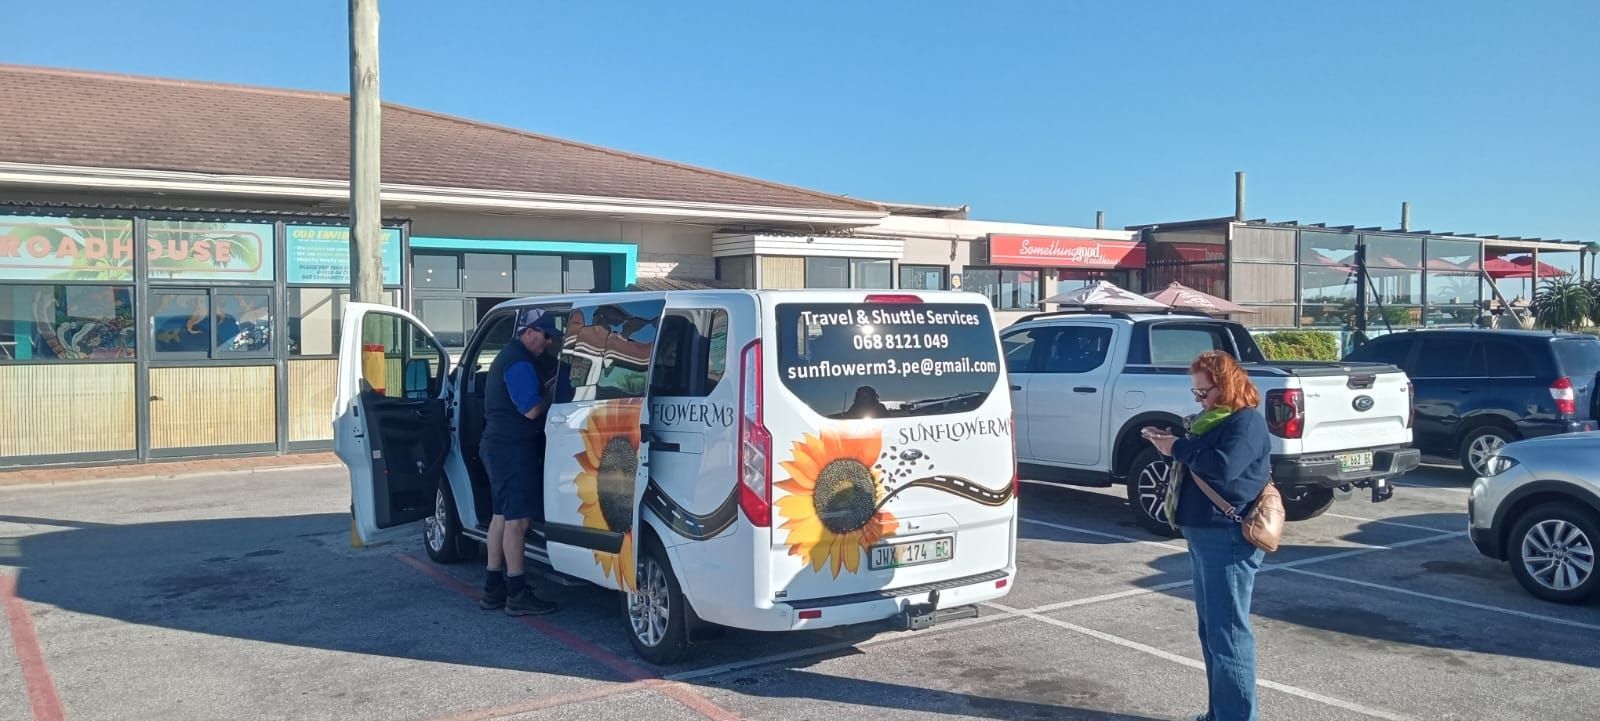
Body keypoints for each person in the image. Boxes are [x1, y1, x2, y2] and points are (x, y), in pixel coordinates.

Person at [1143, 350, 1271, 721]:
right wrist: (1170, 445)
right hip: (1204, 533)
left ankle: (1236, 717)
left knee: (1228, 634)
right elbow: (1200, 460)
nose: (1198, 399)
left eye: (1203, 392)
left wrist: (1177, 447)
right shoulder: (1212, 421)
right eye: (1195, 392)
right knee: (1213, 632)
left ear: (1226, 386)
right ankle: (1220, 713)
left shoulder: (1245, 422)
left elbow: (1224, 467)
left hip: (1226, 536)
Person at [479, 308, 562, 616]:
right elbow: (531, 410)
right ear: (529, 333)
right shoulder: (519, 363)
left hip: (498, 446)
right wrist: (552, 393)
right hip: (512, 450)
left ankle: (493, 588)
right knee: (518, 521)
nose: (549, 342)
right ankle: (516, 594)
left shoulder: (511, 357)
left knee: (500, 517)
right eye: (546, 335)